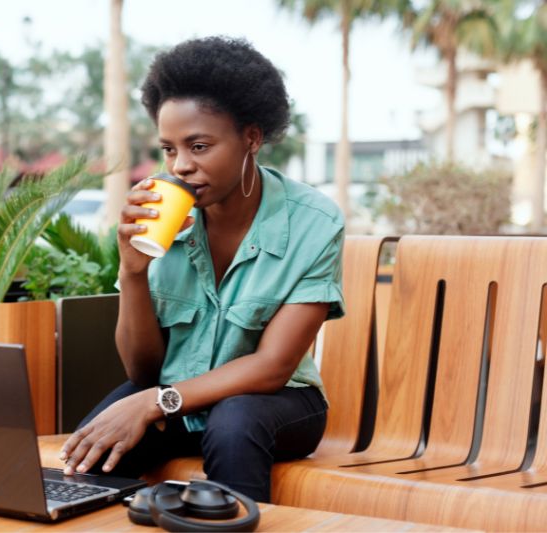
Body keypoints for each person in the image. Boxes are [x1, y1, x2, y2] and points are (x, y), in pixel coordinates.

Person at [59, 36, 344, 503]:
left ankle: (232, 524)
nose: (181, 166)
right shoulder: (164, 218)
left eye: (199, 146)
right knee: (91, 454)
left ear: (251, 138)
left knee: (234, 422)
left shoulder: (313, 221)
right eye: (169, 149)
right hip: (174, 393)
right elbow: (142, 368)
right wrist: (133, 273)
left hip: (279, 404)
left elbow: (273, 367)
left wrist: (156, 401)